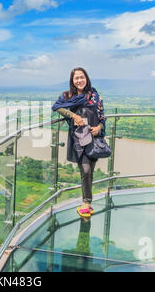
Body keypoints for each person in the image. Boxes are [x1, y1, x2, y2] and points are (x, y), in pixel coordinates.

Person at [52, 67, 106, 218]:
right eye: (76, 78)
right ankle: (86, 202)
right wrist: (73, 115)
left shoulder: (94, 95)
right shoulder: (67, 95)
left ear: (86, 78)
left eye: (82, 77)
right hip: (78, 138)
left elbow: (102, 116)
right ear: (72, 81)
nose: (80, 80)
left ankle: (87, 201)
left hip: (93, 137)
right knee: (86, 171)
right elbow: (57, 107)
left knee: (90, 172)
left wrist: (99, 127)